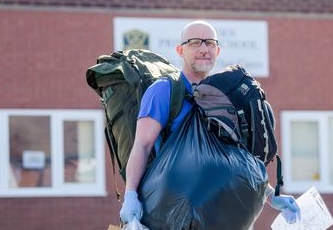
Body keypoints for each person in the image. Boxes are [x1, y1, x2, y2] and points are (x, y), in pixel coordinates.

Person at [119, 20, 302, 226]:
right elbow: (142, 145)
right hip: (170, 214)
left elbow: (235, 159)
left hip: (219, 216)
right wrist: (130, 195)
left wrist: (270, 196)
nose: (204, 49)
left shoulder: (223, 97)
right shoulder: (165, 90)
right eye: (195, 42)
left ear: (218, 50)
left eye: (210, 43)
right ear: (180, 50)